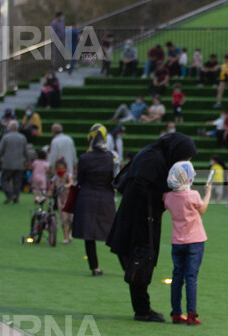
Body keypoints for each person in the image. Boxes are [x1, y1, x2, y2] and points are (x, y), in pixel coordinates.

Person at [107, 132, 198, 322]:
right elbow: (139, 188)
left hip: (137, 218)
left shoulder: (153, 156)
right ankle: (142, 310)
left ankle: (142, 308)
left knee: (138, 261)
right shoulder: (152, 160)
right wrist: (163, 197)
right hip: (139, 220)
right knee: (141, 261)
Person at [163, 161, 212, 325]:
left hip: (177, 241)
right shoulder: (193, 195)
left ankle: (176, 313)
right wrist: (208, 193)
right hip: (195, 240)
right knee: (191, 277)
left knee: (177, 277)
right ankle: (192, 313)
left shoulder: (168, 197)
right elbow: (202, 210)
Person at [73, 125, 118, 277]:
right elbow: (114, 179)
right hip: (105, 197)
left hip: (87, 196)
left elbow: (80, 179)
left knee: (89, 234)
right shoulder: (111, 157)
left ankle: (94, 267)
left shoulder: (85, 158)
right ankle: (126, 265)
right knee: (114, 233)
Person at [0, 121, 28, 204]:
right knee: (17, 182)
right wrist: (28, 161)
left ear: (9, 128)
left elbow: (0, 150)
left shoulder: (6, 137)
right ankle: (16, 198)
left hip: (7, 163)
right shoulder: (22, 137)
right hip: (19, 164)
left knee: (4, 180)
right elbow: (26, 151)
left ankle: (10, 194)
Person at [51, 159, 74, 244]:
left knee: (71, 219)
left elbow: (71, 183)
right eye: (58, 169)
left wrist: (66, 185)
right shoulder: (55, 178)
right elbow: (52, 188)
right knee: (63, 219)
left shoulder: (68, 176)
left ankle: (69, 233)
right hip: (60, 200)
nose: (60, 171)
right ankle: (66, 237)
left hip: (69, 199)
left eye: (62, 169)